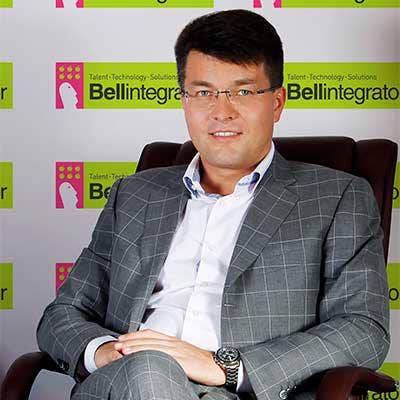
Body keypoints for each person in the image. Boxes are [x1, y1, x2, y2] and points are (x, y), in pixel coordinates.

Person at [37, 9, 390, 400]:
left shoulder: (337, 198)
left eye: (243, 92)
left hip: (244, 392)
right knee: (150, 368)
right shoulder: (134, 195)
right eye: (203, 93)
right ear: (184, 101)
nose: (222, 111)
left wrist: (225, 366)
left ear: (276, 102)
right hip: (124, 382)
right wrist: (104, 351)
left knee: (153, 369)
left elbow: (362, 330)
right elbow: (63, 313)